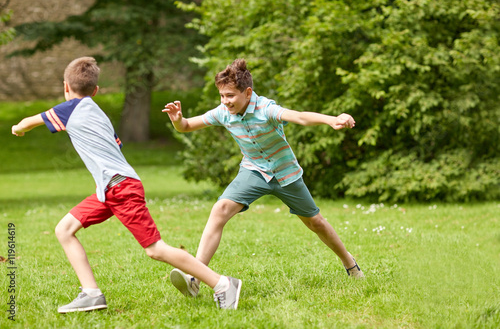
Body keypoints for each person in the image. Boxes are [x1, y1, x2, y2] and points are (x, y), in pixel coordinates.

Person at [11, 57, 241, 312]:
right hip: (109, 189)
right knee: (64, 229)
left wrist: (18, 128)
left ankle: (222, 284)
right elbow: (115, 145)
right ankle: (91, 294)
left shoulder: (70, 108)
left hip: (120, 188)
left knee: (155, 249)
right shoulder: (99, 114)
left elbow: (32, 121)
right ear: (96, 91)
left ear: (66, 87)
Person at [162, 58, 364, 298]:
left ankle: (349, 263)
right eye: (221, 96)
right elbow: (186, 126)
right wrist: (177, 120)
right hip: (254, 171)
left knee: (316, 223)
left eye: (230, 96)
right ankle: (195, 278)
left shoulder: (266, 109)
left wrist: (332, 119)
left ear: (248, 93)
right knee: (220, 209)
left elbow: (299, 117)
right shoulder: (223, 113)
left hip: (285, 173)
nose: (225, 102)